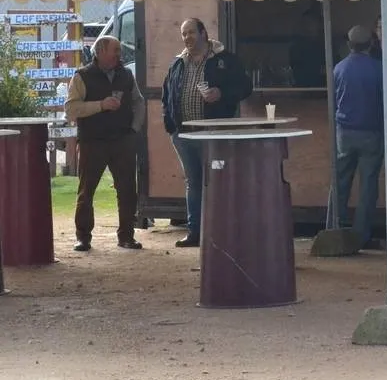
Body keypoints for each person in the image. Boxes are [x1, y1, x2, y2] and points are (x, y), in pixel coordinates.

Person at [161, 18, 252, 248]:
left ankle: (222, 231)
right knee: (193, 182)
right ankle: (195, 232)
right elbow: (166, 94)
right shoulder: (178, 64)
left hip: (214, 133)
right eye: (184, 34)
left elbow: (245, 87)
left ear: (204, 33)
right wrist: (171, 126)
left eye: (191, 32)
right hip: (184, 134)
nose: (187, 38)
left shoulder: (224, 60)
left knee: (218, 181)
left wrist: (221, 93)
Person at [65, 36, 146, 251]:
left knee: (128, 190)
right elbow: (71, 109)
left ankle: (127, 236)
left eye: (119, 50)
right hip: (93, 141)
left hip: (122, 140)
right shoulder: (81, 76)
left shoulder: (126, 75)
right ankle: (83, 237)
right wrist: (101, 105)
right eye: (115, 50)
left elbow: (139, 102)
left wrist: (134, 129)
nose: (119, 54)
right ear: (100, 52)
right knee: (86, 191)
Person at [334, 25, 387, 249]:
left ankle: (335, 229)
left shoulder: (338, 68)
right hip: (372, 133)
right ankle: (361, 235)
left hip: (344, 132)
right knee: (368, 185)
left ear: (349, 44)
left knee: (340, 182)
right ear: (372, 44)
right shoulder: (380, 69)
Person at [289, 4, 327, 87]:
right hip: (301, 87)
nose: (307, 26)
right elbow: (293, 68)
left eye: (310, 22)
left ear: (319, 24)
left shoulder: (326, 44)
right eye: (304, 23)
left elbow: (333, 67)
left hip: (323, 89)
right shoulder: (297, 46)